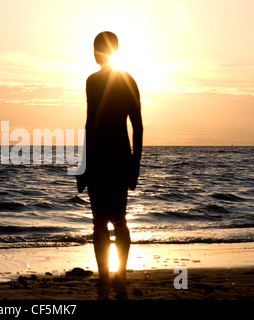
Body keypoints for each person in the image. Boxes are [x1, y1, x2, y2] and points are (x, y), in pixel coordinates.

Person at [77, 31, 143, 299]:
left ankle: (116, 275)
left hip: (111, 159)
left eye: (98, 48)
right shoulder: (93, 81)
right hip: (106, 159)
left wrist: (135, 164)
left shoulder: (123, 81)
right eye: (94, 48)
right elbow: (89, 123)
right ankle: (109, 276)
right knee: (106, 221)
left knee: (111, 220)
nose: (94, 53)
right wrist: (82, 166)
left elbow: (137, 125)